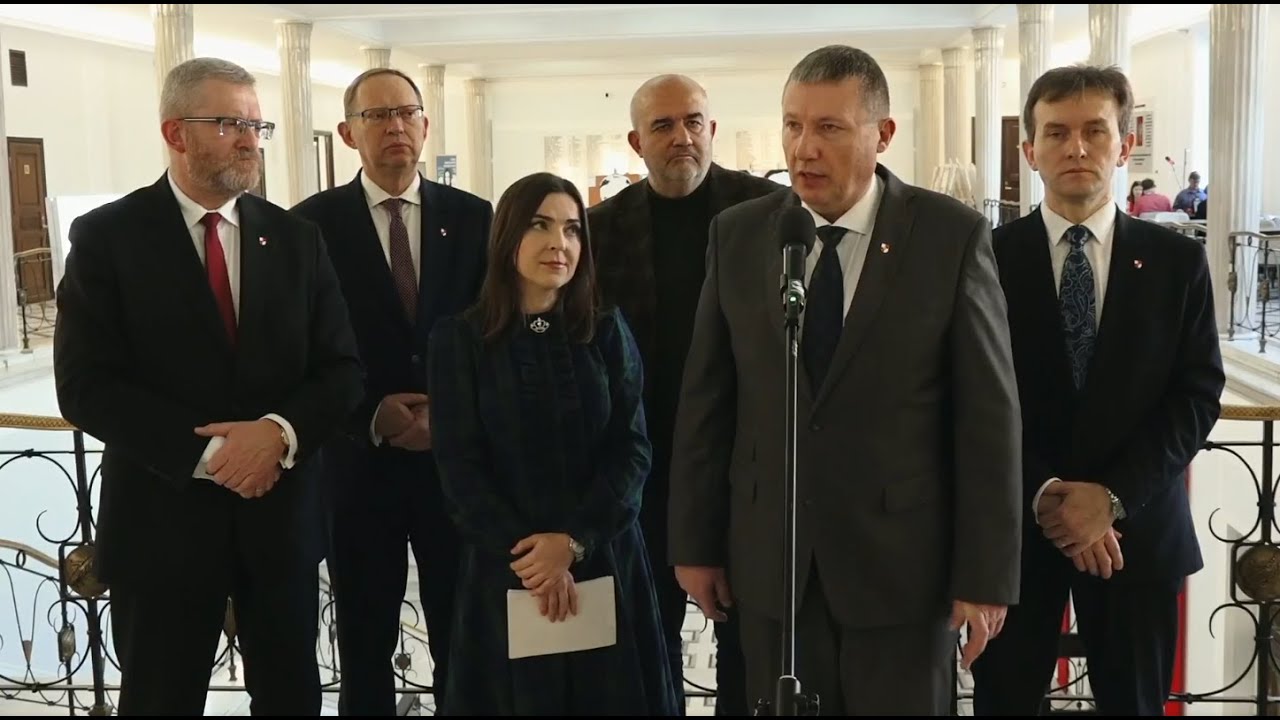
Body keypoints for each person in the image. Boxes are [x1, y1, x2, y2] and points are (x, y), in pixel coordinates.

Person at [667, 44, 1023, 715]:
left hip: (902, 571)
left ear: (882, 133)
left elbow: (988, 420)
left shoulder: (949, 237)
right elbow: (707, 402)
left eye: (829, 127)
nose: (804, 147)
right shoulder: (739, 235)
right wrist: (694, 544)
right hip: (772, 566)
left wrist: (986, 575)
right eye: (793, 125)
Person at [53, 57, 363, 715]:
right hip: (161, 527)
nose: (251, 140)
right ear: (176, 132)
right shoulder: (108, 238)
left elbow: (342, 370)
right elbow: (85, 384)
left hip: (279, 523)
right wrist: (215, 455)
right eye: (230, 124)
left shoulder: (297, 239)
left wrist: (277, 435)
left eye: (257, 126)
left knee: (292, 701)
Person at [970, 64, 1225, 717]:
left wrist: (1110, 498)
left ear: (1123, 144)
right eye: (1057, 133)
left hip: (1136, 535)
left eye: (1095, 131)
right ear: (1030, 150)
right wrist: (1047, 494)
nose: (1076, 147)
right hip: (1016, 537)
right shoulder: (985, 260)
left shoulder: (1177, 263)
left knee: (1135, 705)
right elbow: (969, 397)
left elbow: (1196, 394)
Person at [426, 172, 680, 715]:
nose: (558, 243)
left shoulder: (605, 330)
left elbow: (633, 449)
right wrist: (535, 560)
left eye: (571, 229)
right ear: (507, 236)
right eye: (539, 225)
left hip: (604, 558)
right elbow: (459, 467)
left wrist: (575, 541)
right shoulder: (461, 341)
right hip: (507, 570)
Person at [291, 67, 492, 715]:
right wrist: (370, 414)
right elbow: (299, 350)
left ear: (426, 126)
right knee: (363, 640)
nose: (395, 126)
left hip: (454, 471)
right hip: (357, 471)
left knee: (464, 635)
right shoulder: (309, 227)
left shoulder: (474, 219)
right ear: (349, 133)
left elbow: (494, 337)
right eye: (377, 115)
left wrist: (450, 415)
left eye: (406, 112)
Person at [588, 73, 782, 715]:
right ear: (635, 141)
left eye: (693, 122)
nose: (682, 137)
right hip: (644, 470)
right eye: (663, 126)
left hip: (747, 466)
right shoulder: (599, 231)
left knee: (748, 650)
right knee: (648, 645)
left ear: (712, 129)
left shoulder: (770, 214)